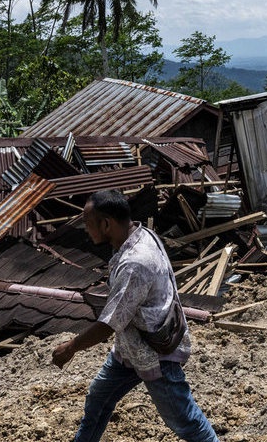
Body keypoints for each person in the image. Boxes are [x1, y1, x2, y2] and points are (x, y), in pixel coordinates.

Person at [52, 189, 218, 442]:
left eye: (87, 223)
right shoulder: (141, 234)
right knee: (99, 398)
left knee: (186, 421)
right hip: (131, 347)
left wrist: (71, 347)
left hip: (155, 353)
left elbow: (109, 323)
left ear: (106, 224)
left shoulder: (135, 263)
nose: (85, 229)